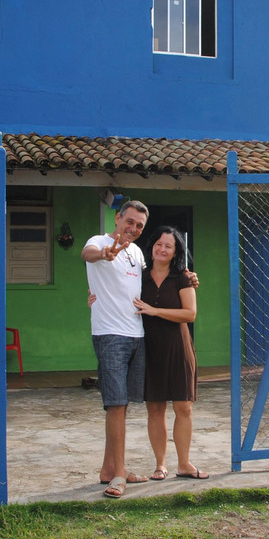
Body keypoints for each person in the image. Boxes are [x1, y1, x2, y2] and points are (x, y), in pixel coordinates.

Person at [82, 200, 151, 499]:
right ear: (118, 217)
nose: (133, 229)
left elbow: (143, 284)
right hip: (110, 334)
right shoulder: (99, 242)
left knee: (121, 406)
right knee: (116, 403)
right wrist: (104, 254)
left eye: (139, 226)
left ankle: (108, 469)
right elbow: (87, 254)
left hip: (137, 333)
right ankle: (120, 474)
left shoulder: (137, 251)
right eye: (130, 222)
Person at [132, 226, 209, 481]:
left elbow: (190, 314)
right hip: (149, 348)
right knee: (155, 409)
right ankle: (160, 465)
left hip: (178, 347)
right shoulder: (138, 276)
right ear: (152, 246)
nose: (162, 249)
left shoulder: (183, 278)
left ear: (176, 252)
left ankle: (184, 464)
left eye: (168, 246)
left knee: (183, 408)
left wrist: (154, 311)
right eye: (158, 244)